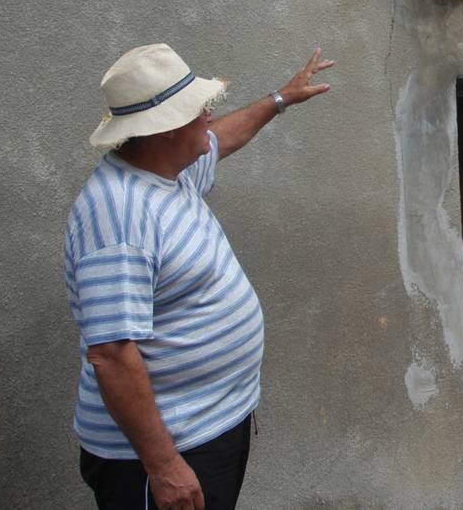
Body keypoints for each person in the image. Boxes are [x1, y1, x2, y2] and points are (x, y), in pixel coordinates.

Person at [64, 43, 334, 510]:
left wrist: (280, 98)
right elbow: (111, 355)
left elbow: (223, 138)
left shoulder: (170, 171)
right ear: (164, 129)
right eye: (198, 111)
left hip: (211, 424)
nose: (209, 118)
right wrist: (164, 467)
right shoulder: (119, 215)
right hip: (163, 455)